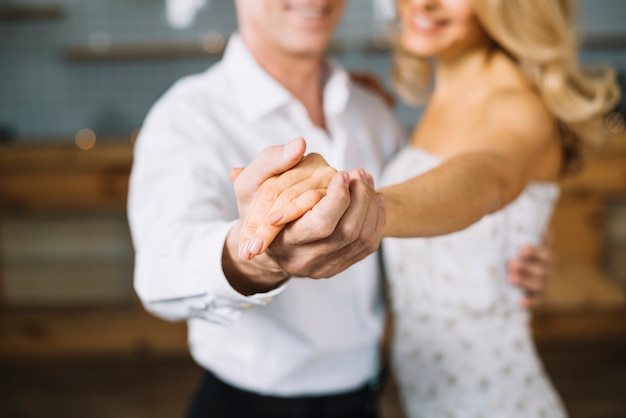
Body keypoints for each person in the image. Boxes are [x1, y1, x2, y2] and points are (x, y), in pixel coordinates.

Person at [127, 1, 556, 417]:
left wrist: (512, 248)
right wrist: (254, 257)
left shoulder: (372, 110)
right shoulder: (187, 116)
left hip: (374, 398)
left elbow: (472, 186)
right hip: (252, 404)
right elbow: (160, 273)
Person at [235, 0, 620, 417]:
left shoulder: (517, 107)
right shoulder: (437, 99)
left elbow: (483, 179)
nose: (423, 3)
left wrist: (367, 210)